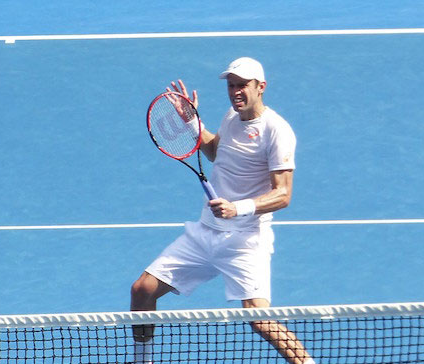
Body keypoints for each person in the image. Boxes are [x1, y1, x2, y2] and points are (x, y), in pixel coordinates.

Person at [129, 57, 316, 364]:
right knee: (142, 290)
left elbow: (283, 195)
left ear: (261, 87)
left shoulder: (277, 131)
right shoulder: (232, 116)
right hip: (205, 233)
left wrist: (237, 208)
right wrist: (192, 123)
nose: (235, 92)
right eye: (231, 85)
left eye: (242, 85)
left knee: (260, 319)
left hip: (245, 240)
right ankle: (142, 361)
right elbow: (217, 151)